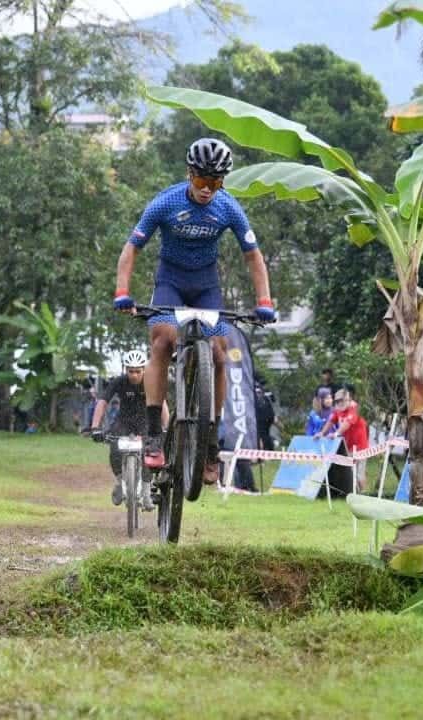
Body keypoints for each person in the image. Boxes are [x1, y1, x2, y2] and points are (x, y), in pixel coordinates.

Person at [113, 138, 276, 483]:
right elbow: (132, 248)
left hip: (206, 286)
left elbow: (253, 256)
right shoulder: (166, 202)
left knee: (218, 354)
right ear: (190, 174)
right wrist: (122, 292)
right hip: (170, 282)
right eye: (202, 180)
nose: (206, 190)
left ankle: (210, 441)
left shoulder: (228, 207)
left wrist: (265, 301)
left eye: (215, 183)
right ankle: (154, 434)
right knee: (162, 342)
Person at [89, 350, 168, 508]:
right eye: (131, 371)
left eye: (138, 371)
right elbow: (103, 402)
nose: (134, 375)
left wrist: (166, 428)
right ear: (126, 370)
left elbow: (162, 404)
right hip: (123, 422)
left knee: (149, 452)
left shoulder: (151, 381)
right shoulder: (119, 382)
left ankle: (146, 492)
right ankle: (120, 483)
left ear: (144, 370)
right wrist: (95, 427)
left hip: (145, 422)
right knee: (114, 448)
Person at [315, 388, 369, 490]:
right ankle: (354, 493)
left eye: (341, 400)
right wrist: (322, 433)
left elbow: (347, 424)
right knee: (351, 474)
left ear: (347, 399)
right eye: (337, 401)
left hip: (360, 447)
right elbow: (331, 421)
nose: (339, 403)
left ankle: (364, 493)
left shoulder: (354, 408)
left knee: (359, 475)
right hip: (347, 447)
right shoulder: (338, 410)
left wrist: (336, 434)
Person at [254, 376, 276, 452]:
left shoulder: (257, 389)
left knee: (263, 434)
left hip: (263, 417)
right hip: (268, 417)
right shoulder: (266, 390)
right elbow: (273, 400)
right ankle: (268, 449)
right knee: (265, 434)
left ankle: (267, 449)